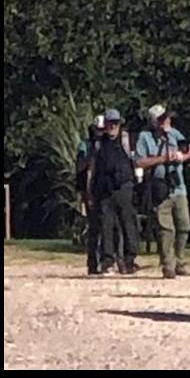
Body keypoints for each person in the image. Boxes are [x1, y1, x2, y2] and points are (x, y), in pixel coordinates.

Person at [135, 104, 190, 280]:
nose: (166, 122)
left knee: (184, 226)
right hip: (159, 188)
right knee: (166, 229)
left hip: (178, 186)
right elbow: (139, 161)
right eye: (162, 119)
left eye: (167, 118)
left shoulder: (175, 134)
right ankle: (168, 265)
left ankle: (180, 261)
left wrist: (182, 156)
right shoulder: (144, 137)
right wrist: (163, 159)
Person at [92, 109, 140, 276]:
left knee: (128, 224)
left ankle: (129, 261)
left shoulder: (128, 140)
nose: (112, 126)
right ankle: (107, 262)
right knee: (106, 226)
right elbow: (94, 168)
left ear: (120, 124)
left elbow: (137, 162)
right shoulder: (99, 144)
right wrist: (92, 191)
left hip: (124, 188)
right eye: (109, 123)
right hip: (105, 191)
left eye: (115, 123)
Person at [76, 115, 105, 275]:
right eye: (98, 130)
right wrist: (84, 194)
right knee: (94, 227)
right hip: (90, 190)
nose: (100, 133)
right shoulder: (85, 146)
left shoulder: (108, 145)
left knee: (108, 227)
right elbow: (80, 171)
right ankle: (92, 262)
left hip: (105, 190)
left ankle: (108, 260)